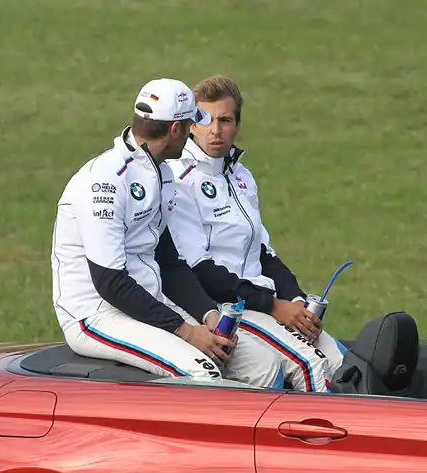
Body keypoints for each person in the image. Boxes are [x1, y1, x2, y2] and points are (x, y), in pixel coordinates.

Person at [50, 78, 283, 388]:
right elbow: (110, 282)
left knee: (260, 362)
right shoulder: (103, 181)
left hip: (149, 303)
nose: (192, 134)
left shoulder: (162, 173)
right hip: (96, 314)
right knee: (203, 371)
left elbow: (170, 262)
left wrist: (208, 315)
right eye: (190, 125)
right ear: (176, 130)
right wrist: (186, 332)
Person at [165, 75, 346, 393]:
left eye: (225, 120)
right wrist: (275, 307)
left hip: (265, 302)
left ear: (237, 124)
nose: (215, 129)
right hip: (230, 307)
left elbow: (264, 252)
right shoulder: (178, 181)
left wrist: (296, 300)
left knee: (340, 361)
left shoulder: (241, 176)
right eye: (204, 119)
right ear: (191, 124)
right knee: (311, 366)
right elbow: (199, 270)